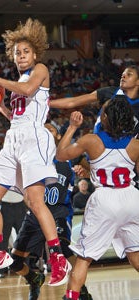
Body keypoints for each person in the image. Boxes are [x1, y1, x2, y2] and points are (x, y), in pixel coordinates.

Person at [0, 18, 71, 286]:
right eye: (17, 53)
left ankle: (58, 258)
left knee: (35, 201)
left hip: (34, 138)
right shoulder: (17, 79)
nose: (20, 56)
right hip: (14, 138)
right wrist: (0, 109)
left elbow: (28, 91)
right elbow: (17, 115)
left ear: (35, 53)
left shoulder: (40, 70)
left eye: (25, 51)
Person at [55, 96, 139, 300]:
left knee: (84, 258)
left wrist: (72, 127)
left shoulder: (91, 140)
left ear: (107, 117)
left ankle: (72, 297)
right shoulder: (136, 144)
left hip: (105, 199)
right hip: (130, 196)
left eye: (103, 111)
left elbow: (61, 155)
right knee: (136, 254)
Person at [9, 123, 92, 300]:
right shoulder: (31, 157)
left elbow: (90, 170)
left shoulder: (69, 155)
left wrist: (84, 170)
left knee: (63, 249)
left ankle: (81, 290)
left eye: (51, 129)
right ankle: (33, 278)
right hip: (36, 214)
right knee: (14, 262)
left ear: (59, 136)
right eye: (43, 129)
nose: (46, 131)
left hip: (59, 212)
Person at [50, 65, 139, 138]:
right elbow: (73, 102)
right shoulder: (110, 92)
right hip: (100, 146)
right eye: (123, 74)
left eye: (129, 74)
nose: (123, 76)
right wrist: (47, 103)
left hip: (125, 153)